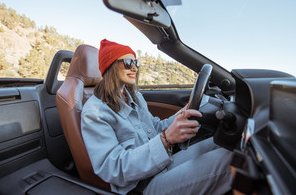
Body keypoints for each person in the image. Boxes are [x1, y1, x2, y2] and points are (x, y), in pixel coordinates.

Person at [81, 39, 233, 195]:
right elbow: (113, 169)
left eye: (136, 62)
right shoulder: (95, 112)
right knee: (230, 161)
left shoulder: (135, 97)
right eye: (127, 62)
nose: (134, 67)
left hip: (163, 164)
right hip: (141, 185)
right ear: (110, 66)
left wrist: (184, 111)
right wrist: (166, 139)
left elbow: (155, 128)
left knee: (226, 146)